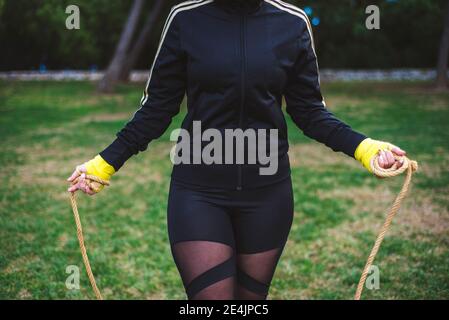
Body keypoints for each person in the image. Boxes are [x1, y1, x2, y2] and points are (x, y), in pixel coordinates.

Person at [68, 0, 406, 300]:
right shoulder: (185, 19)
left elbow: (310, 112)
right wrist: (104, 163)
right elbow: (156, 110)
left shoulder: (292, 22)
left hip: (268, 194)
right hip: (198, 191)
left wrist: (365, 148)